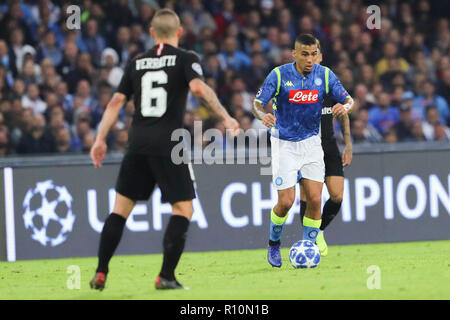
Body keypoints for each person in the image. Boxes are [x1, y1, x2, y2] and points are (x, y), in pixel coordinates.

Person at [89, 8, 239, 290]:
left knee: (120, 210)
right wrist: (226, 117)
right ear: (179, 32)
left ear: (151, 33)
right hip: (169, 145)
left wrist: (100, 140)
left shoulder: (136, 62)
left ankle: (100, 272)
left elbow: (114, 104)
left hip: (137, 144)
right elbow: (198, 90)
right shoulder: (186, 58)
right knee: (182, 208)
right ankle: (166, 276)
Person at [252, 34, 353, 268]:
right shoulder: (278, 75)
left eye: (313, 54)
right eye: (305, 54)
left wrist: (343, 106)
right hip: (283, 143)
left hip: (312, 142)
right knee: (286, 201)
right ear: (294, 54)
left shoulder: (325, 75)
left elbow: (350, 101)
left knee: (316, 198)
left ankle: (308, 247)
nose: (310, 59)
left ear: (318, 54)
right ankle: (274, 243)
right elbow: (257, 104)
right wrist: (262, 115)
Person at [299, 40, 353, 257]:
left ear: (319, 58)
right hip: (304, 148)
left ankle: (317, 231)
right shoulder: (297, 88)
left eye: (315, 55)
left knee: (337, 196)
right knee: (309, 197)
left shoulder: (329, 86)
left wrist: (348, 144)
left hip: (329, 146)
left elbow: (344, 115)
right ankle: (307, 240)